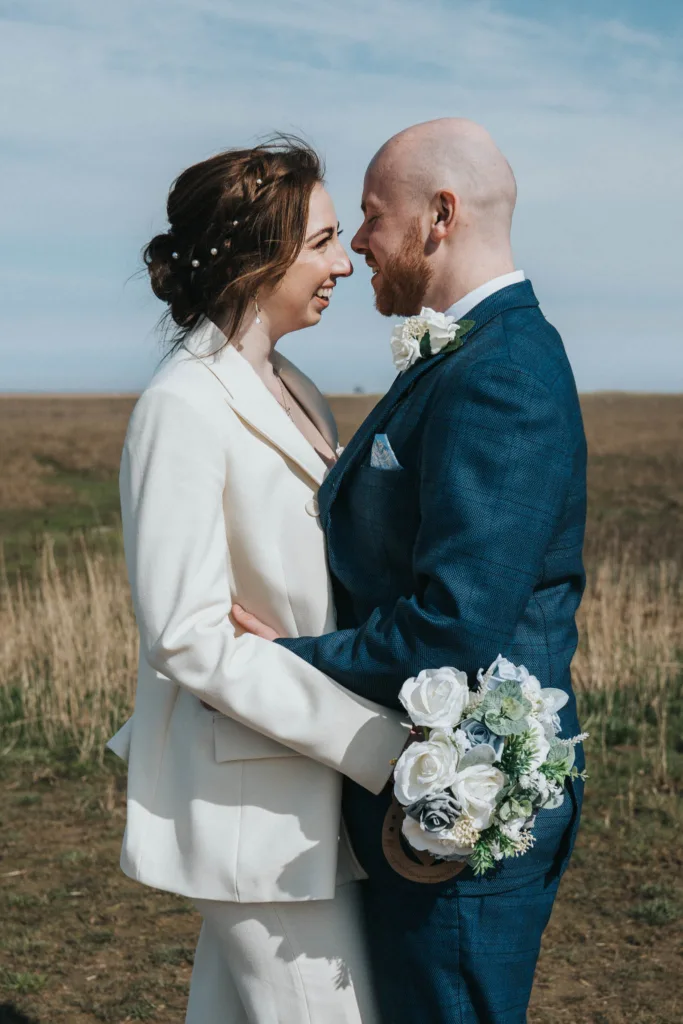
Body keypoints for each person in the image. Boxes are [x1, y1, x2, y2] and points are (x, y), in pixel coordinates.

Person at [233, 118, 588, 1024]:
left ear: (439, 216)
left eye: (370, 215)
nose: (356, 243)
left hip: (466, 795)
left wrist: (284, 660)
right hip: (417, 781)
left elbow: (453, 623)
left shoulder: (503, 371)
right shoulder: (469, 353)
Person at [105, 137, 408, 1024]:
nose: (342, 263)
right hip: (253, 804)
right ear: (254, 252)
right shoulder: (183, 405)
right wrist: (375, 743)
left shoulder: (296, 385)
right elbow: (186, 633)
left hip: (305, 801)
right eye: (319, 241)